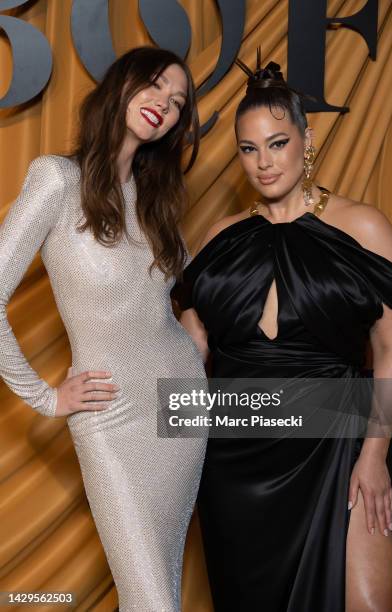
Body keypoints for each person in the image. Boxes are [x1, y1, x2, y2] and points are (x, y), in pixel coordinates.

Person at [171, 58, 392, 611]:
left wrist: (374, 457)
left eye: (277, 143)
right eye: (249, 149)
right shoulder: (222, 238)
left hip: (342, 444)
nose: (264, 163)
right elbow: (185, 350)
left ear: (308, 138)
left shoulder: (363, 226)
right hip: (240, 461)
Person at [0, 46, 207, 611]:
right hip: (111, 419)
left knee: (160, 588)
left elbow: (165, 302)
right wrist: (45, 397)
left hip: (181, 407)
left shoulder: (156, 202)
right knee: (151, 602)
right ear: (122, 84)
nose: (165, 104)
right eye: (156, 87)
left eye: (177, 101)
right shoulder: (56, 181)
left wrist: (193, 335)